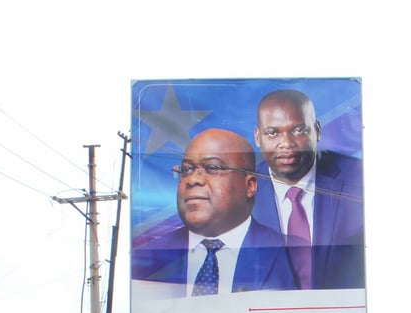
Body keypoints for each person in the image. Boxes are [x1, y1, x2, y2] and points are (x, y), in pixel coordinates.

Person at [131, 128, 297, 296]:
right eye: (186, 169)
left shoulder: (294, 253)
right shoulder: (148, 256)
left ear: (250, 185)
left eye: (211, 167)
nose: (193, 180)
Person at [253, 89, 366, 290]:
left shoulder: (359, 178)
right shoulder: (239, 189)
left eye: (299, 130)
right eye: (273, 133)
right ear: (258, 137)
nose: (287, 143)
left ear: (318, 131)